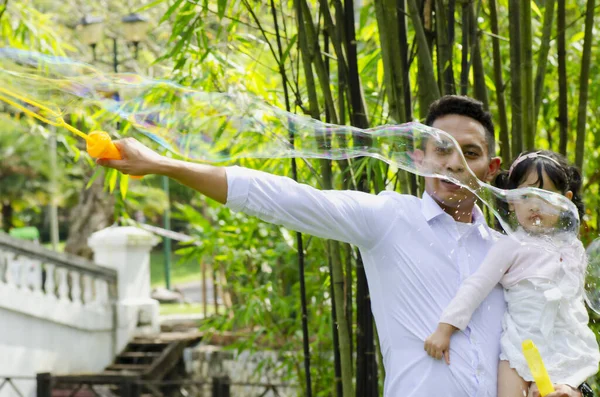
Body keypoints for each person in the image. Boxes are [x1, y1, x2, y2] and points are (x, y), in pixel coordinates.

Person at [98, 95, 584, 397]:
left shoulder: (512, 250)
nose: (452, 164)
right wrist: (166, 166)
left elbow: (547, 334)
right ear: (418, 156)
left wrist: (565, 388)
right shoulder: (387, 218)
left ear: (492, 167)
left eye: (469, 153)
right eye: (440, 149)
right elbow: (283, 198)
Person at [424, 150, 600, 396]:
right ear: (511, 200)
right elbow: (476, 286)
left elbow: (574, 305)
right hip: (520, 347)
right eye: (526, 195)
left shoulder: (573, 248)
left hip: (563, 349)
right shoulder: (511, 246)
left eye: (547, 196)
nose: (535, 205)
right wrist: (446, 327)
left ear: (565, 202)